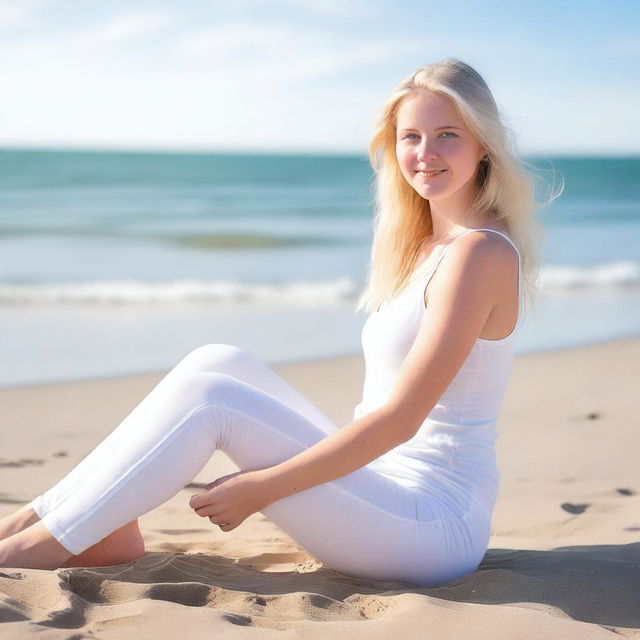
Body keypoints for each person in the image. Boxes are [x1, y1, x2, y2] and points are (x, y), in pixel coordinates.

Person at [0, 58, 544, 588]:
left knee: (214, 398)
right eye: (410, 136)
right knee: (216, 362)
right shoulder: (425, 245)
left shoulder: (480, 255)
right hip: (383, 490)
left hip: (430, 526)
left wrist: (261, 489)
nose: (425, 154)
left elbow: (400, 421)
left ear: (483, 145)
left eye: (447, 134)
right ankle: (41, 522)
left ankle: (38, 546)